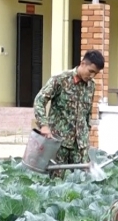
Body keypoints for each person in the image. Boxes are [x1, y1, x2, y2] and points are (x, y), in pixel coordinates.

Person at [33, 50, 105, 178]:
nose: (92, 76)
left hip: (80, 146)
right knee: (56, 181)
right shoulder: (60, 80)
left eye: (96, 73)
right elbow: (39, 101)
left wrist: (86, 135)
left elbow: (87, 113)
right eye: (91, 71)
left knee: (81, 181)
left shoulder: (91, 86)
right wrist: (44, 125)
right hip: (59, 144)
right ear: (83, 63)